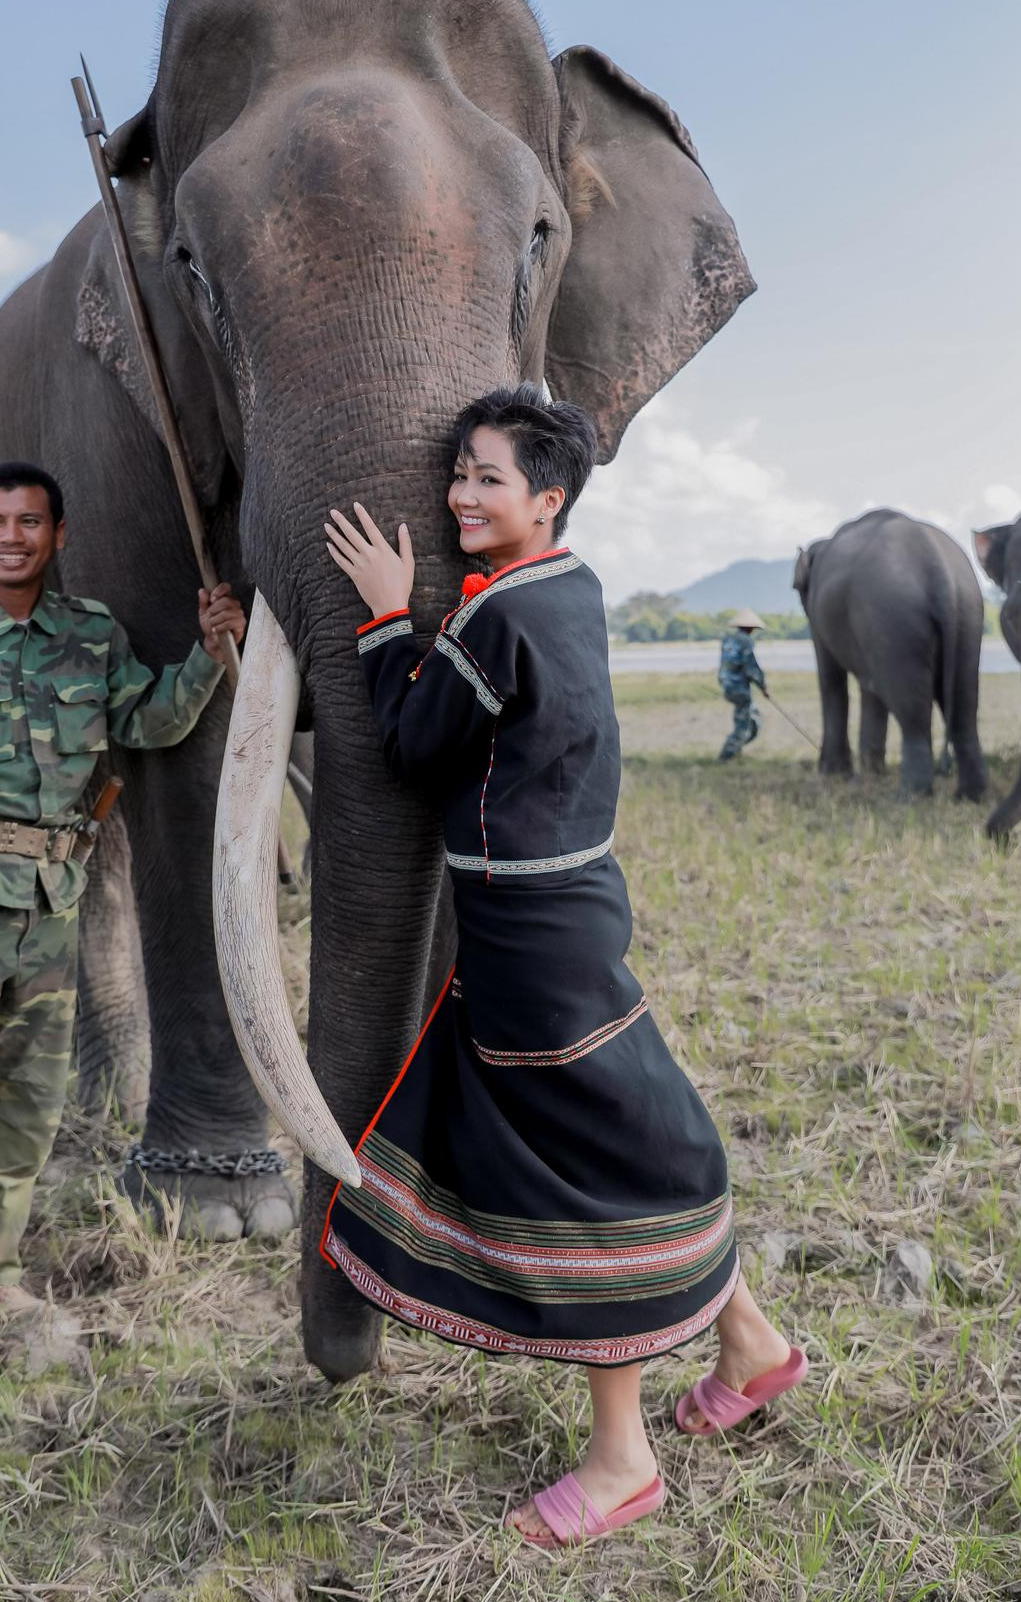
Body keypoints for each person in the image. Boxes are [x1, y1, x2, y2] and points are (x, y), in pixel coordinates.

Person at [321, 386, 805, 1548]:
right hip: (567, 913)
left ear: (549, 495)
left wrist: (390, 620)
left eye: (488, 478)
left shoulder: (500, 617)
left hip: (529, 935)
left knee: (578, 1168)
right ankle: (753, 1346)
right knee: (635, 1129)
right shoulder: (570, 587)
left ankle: (622, 1459)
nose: (461, 495)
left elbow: (415, 744)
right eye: (458, 475)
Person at [0, 461, 245, 1405]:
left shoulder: (90, 636)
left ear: (59, 535)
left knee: (28, 1114)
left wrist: (208, 654)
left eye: (30, 522)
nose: (12, 537)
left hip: (50, 907)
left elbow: (149, 721)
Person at [718, 608, 769, 760]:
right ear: (750, 628)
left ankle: (736, 752)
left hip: (727, 686)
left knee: (751, 718)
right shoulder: (745, 641)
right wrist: (763, 687)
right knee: (745, 725)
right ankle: (727, 756)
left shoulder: (728, 640)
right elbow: (751, 668)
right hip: (740, 690)